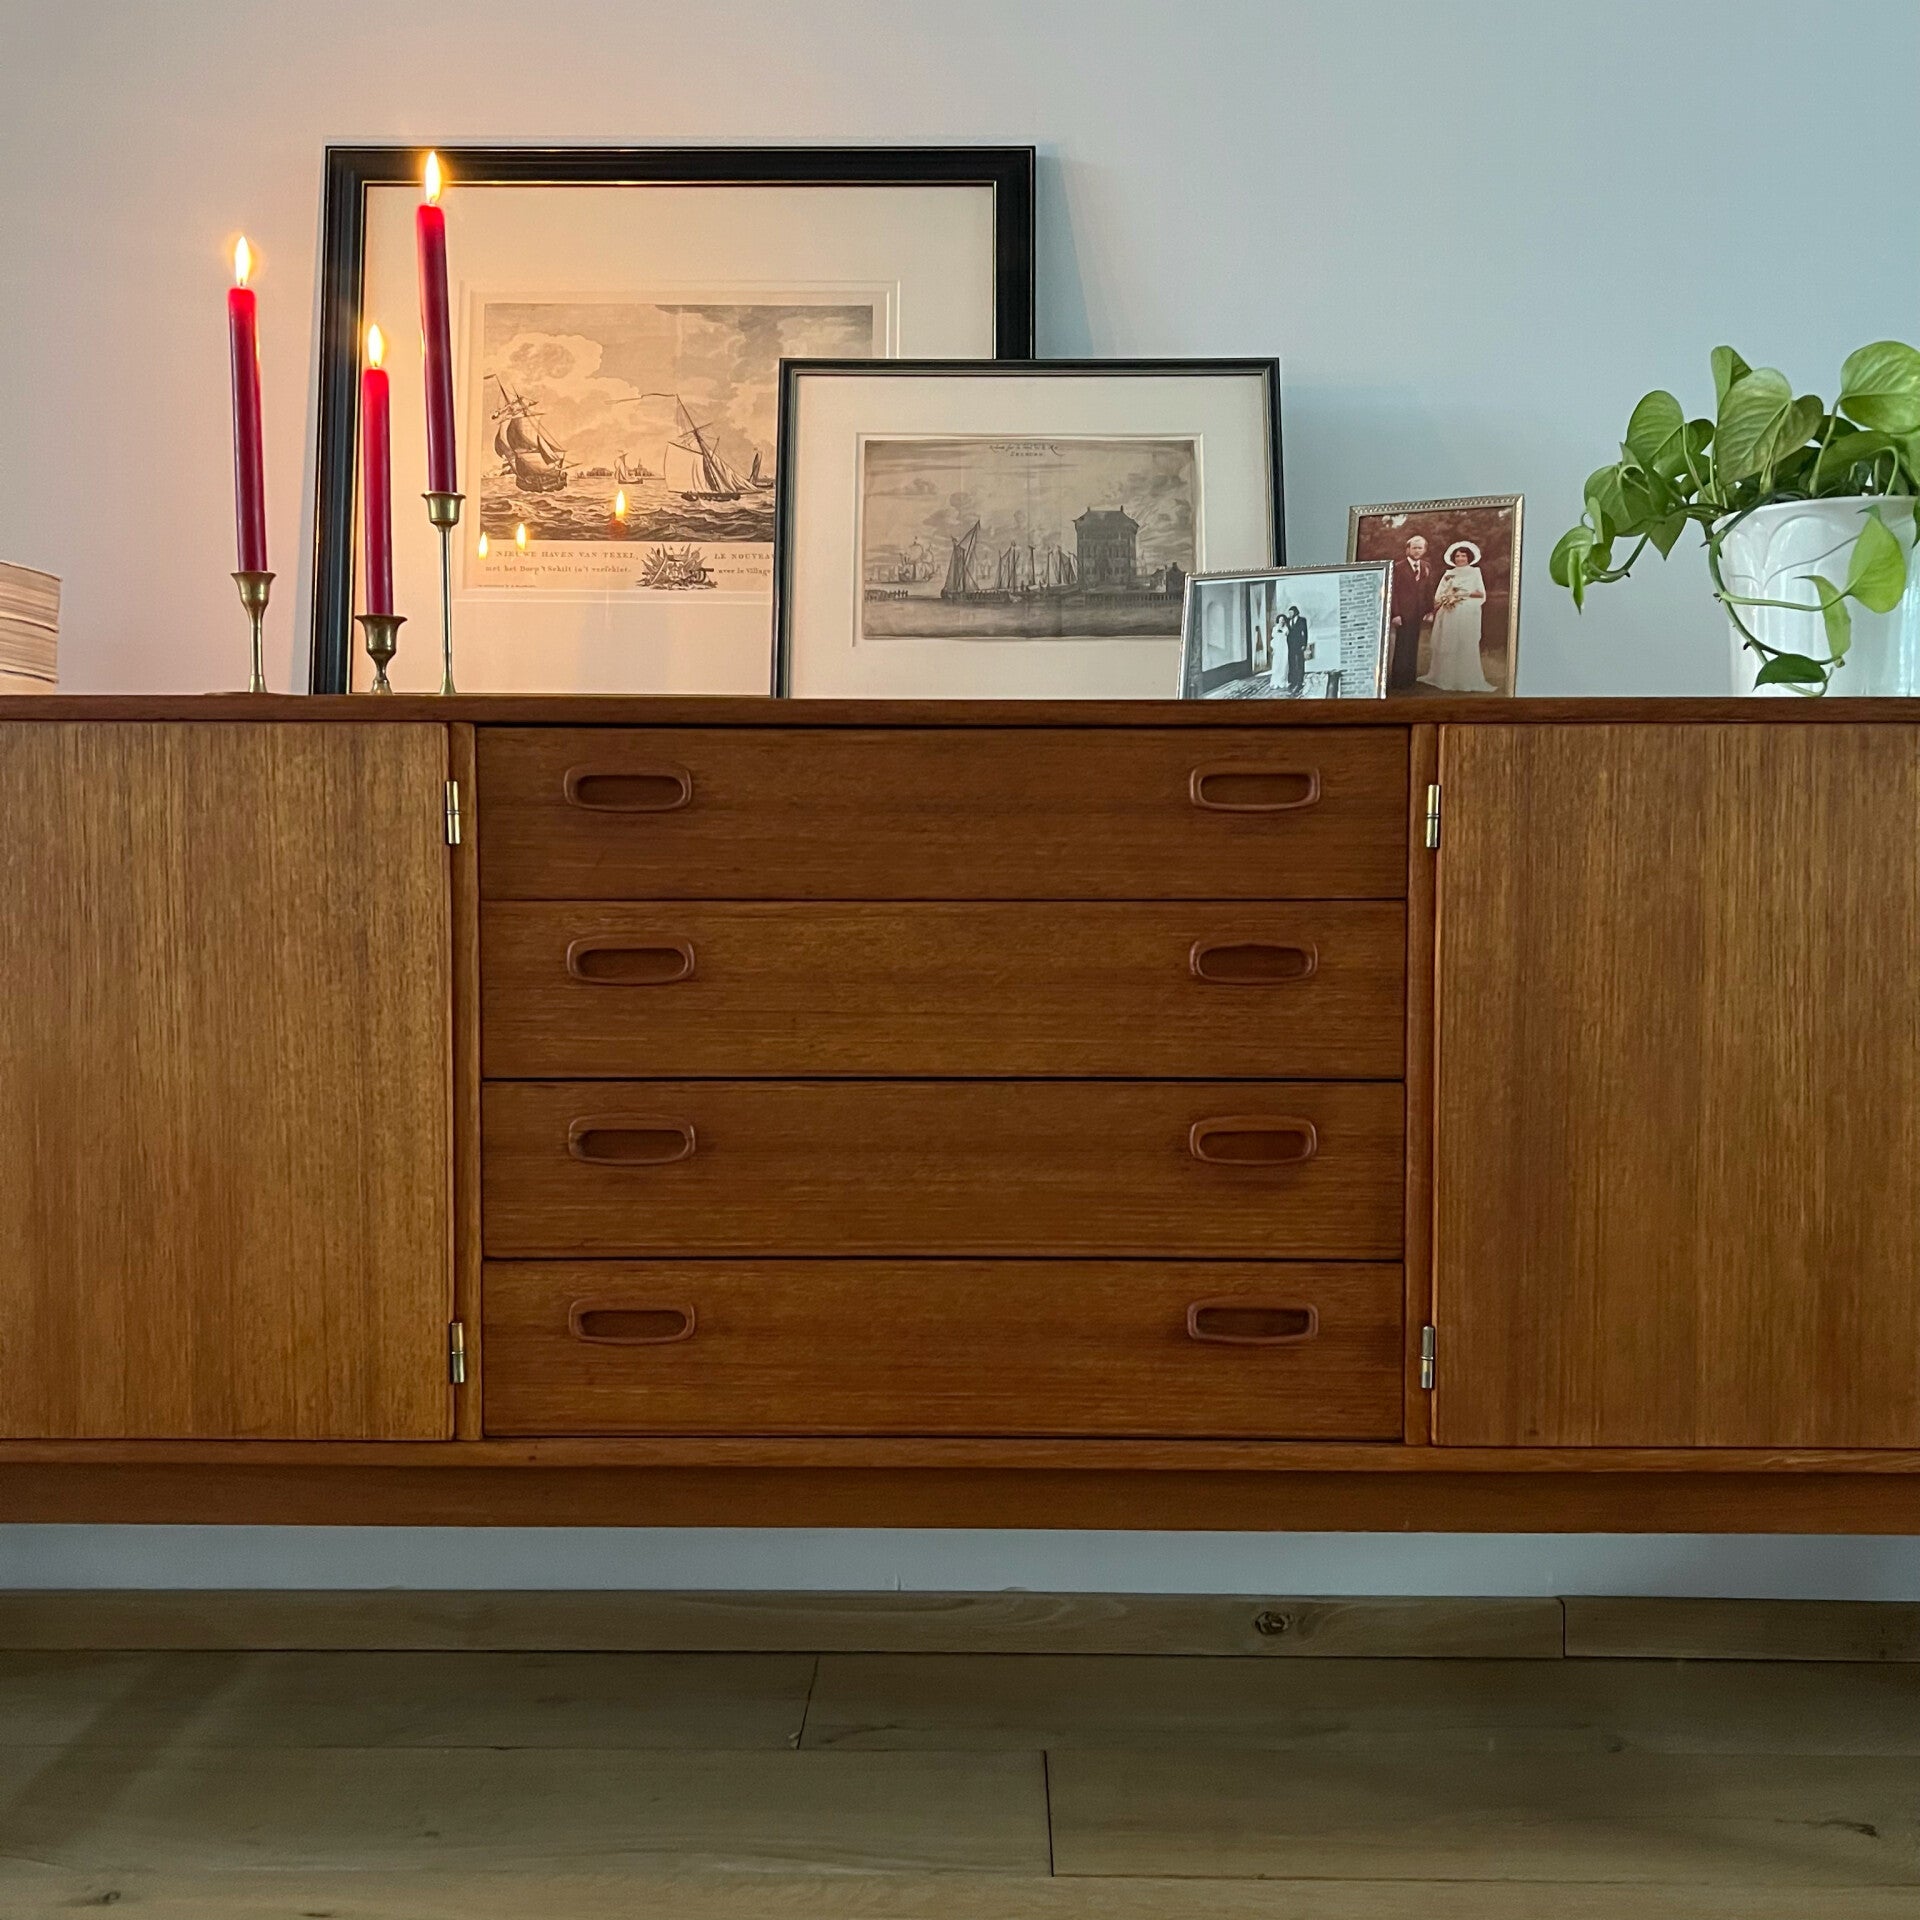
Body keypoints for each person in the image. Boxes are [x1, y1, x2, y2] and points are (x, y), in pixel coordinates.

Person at [1422, 540, 1494, 692]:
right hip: (1449, 612)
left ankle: (1464, 678)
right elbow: (1439, 594)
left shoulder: (1475, 572)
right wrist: (1446, 598)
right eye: (1457, 556)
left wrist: (1462, 594)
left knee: (1464, 643)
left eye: (1463, 556)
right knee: (1448, 643)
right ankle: (1445, 677)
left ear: (1469, 558)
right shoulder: (1448, 574)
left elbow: (1480, 594)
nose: (1460, 559)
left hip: (1467, 612)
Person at [1388, 534, 1438, 691]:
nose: (1417, 551)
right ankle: (1398, 680)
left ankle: (1410, 679)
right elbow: (1393, 592)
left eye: (1420, 548)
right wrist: (1395, 614)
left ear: (1424, 550)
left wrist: (1430, 611)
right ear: (1408, 549)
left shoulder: (1426, 566)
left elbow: (1428, 590)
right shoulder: (1398, 567)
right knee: (1402, 645)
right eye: (1414, 548)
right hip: (1402, 613)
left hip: (1418, 612)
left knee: (1413, 644)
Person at [1285, 604, 1308, 694]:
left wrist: (1304, 644)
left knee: (1300, 662)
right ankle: (1293, 681)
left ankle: (1300, 680)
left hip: (1299, 644)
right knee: (1292, 662)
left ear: (1295, 612)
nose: (1290, 614)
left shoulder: (1302, 620)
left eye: (1291, 612)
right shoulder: (1288, 621)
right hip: (1290, 645)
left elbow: (1304, 632)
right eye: (1289, 613)